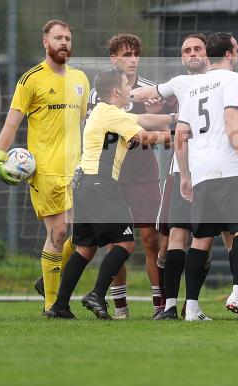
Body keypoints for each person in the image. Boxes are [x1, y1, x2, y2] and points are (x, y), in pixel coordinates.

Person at [45, 70, 173, 319]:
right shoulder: (112, 114)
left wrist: (176, 117)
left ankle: (59, 306)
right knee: (125, 243)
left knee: (84, 249)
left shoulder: (105, 111)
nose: (130, 90)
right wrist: (183, 135)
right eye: (126, 85)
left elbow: (144, 118)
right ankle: (96, 294)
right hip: (100, 185)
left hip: (83, 185)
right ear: (116, 91)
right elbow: (144, 136)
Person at [0, 20, 90, 313]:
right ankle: (52, 304)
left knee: (84, 235)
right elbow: (12, 122)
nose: (64, 42)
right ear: (46, 42)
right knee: (58, 234)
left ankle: (47, 278)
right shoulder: (30, 79)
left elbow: (85, 125)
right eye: (58, 37)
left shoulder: (80, 79)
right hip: (45, 170)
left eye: (68, 38)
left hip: (77, 170)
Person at [175, 32, 238, 321]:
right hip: (228, 166)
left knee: (201, 239)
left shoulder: (193, 87)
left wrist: (185, 175)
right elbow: (231, 119)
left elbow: (181, 135)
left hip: (201, 171)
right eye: (236, 49)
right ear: (228, 54)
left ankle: (191, 307)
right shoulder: (234, 79)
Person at [130, 33, 215, 321]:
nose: (192, 54)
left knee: (206, 241)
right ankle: (168, 305)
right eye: (187, 50)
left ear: (207, 53)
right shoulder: (178, 84)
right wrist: (121, 97)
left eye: (197, 49)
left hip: (214, 172)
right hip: (181, 171)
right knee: (172, 239)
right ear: (182, 57)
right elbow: (146, 97)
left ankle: (198, 304)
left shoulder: (222, 81)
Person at [88, 34, 166, 317]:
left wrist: (161, 113)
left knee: (151, 240)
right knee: (116, 243)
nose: (132, 60)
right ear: (114, 59)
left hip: (144, 174)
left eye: (135, 54)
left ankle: (160, 305)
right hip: (112, 176)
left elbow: (164, 126)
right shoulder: (98, 94)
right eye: (126, 54)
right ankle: (120, 307)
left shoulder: (150, 90)